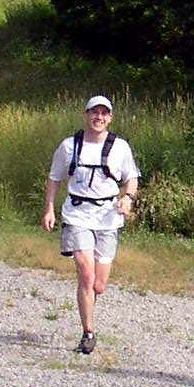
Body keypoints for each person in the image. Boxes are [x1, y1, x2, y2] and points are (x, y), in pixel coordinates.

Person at [43, 94, 139, 353]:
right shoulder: (68, 146)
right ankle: (88, 332)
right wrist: (49, 209)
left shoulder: (120, 147)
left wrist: (127, 198)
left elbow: (132, 178)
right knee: (85, 272)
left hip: (108, 218)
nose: (99, 117)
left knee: (99, 285)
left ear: (110, 118)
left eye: (104, 113)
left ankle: (89, 306)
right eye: (94, 112)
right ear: (85, 115)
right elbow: (54, 178)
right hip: (77, 215)